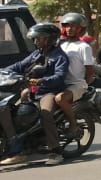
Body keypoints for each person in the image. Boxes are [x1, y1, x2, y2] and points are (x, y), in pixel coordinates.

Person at [0, 22, 71, 166]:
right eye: (35, 38)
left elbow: (59, 77)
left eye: (39, 38)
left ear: (49, 39)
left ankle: (55, 151)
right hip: (33, 90)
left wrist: (40, 81)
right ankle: (22, 145)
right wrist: (3, 71)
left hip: (50, 91)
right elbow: (19, 65)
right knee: (15, 112)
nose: (36, 41)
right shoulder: (37, 54)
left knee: (45, 113)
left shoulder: (59, 56)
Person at [58, 12, 94, 135]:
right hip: (60, 83)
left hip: (77, 84)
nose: (70, 29)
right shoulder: (61, 45)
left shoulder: (84, 47)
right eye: (67, 26)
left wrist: (84, 85)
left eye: (73, 26)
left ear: (80, 28)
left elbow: (89, 69)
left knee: (60, 99)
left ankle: (73, 124)